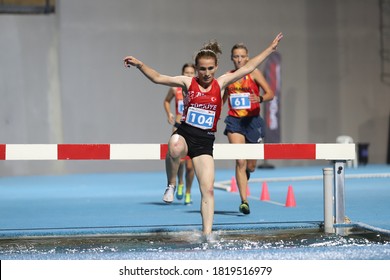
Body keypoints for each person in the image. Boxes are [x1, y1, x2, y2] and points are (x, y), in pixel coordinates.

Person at [123, 32, 283, 235]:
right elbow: (157, 78)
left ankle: (207, 235)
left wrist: (270, 48)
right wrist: (139, 65)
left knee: (207, 190)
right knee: (174, 145)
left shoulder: (222, 82)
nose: (206, 73)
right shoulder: (189, 83)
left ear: (215, 67)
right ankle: (171, 184)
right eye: (202, 69)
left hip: (204, 142)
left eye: (210, 69)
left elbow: (250, 67)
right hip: (186, 134)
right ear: (196, 69)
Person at [223, 43, 274, 215]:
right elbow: (221, 99)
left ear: (247, 57)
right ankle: (244, 201)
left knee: (250, 166)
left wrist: (258, 98)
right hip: (234, 122)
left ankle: (246, 173)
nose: (239, 59)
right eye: (235, 56)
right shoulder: (228, 77)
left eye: (242, 56)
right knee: (240, 160)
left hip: (252, 122)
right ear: (232, 58)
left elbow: (270, 93)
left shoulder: (254, 73)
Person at [163, 63, 196, 205]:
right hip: (178, 126)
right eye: (186, 72)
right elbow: (166, 101)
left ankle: (188, 191)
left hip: (193, 129)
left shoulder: (197, 89)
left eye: (191, 72)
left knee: (190, 166)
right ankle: (179, 182)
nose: (188, 75)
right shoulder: (175, 88)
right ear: (182, 74)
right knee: (177, 159)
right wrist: (169, 113)